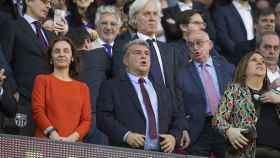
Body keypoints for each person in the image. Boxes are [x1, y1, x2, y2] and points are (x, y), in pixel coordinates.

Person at [96, 39, 189, 153]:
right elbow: (103, 118)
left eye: (147, 53)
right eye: (137, 53)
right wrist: (126, 135)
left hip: (162, 153)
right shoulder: (111, 86)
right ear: (125, 60)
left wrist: (173, 137)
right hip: (127, 152)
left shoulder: (163, 90)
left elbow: (177, 117)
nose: (143, 56)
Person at [176, 30, 234, 157]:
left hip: (225, 125)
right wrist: (183, 128)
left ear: (210, 45)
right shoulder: (181, 73)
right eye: (191, 44)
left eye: (199, 43)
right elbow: (178, 106)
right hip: (198, 130)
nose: (195, 48)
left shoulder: (227, 68)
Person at [0, 0, 54, 136]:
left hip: (46, 107)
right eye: (44, 1)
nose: (48, 6)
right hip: (21, 103)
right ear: (29, 1)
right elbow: (4, 60)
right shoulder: (12, 25)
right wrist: (12, 90)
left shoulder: (50, 35)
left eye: (50, 3)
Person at [32, 37, 92, 142]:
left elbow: (86, 120)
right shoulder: (42, 80)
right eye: (57, 51)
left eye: (66, 51)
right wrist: (52, 134)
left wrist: (71, 139)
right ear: (51, 58)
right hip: (45, 143)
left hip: (73, 146)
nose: (61, 54)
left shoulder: (83, 88)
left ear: (72, 57)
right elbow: (37, 111)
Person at [214, 51, 268, 158]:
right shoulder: (234, 89)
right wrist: (228, 130)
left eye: (263, 61)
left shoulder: (274, 94)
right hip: (246, 153)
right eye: (254, 60)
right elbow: (218, 119)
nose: (260, 63)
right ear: (244, 68)